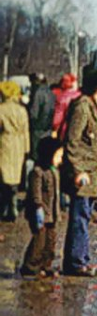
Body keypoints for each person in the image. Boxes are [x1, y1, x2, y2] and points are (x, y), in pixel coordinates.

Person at [62, 69, 97, 277]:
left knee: (83, 216)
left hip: (92, 175)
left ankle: (78, 259)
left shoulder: (95, 108)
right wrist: (78, 170)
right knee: (80, 218)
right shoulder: (83, 107)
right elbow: (72, 142)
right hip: (83, 175)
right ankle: (77, 262)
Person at [21, 136, 62, 277]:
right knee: (39, 241)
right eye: (58, 156)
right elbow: (35, 192)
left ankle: (45, 264)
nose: (60, 160)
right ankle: (31, 264)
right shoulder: (38, 172)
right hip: (41, 213)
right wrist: (38, 207)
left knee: (50, 242)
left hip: (52, 214)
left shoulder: (54, 172)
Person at [0, 80, 30, 221]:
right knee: (15, 177)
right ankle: (13, 205)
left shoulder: (2, 109)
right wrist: (26, 148)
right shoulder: (22, 110)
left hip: (5, 143)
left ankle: (5, 207)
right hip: (18, 144)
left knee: (4, 176)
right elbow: (26, 131)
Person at [27, 73, 56, 148]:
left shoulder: (37, 92)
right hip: (48, 128)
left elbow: (34, 111)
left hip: (38, 128)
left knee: (36, 152)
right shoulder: (51, 92)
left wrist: (33, 124)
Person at [50, 72, 81, 137]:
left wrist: (54, 128)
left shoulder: (62, 98)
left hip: (66, 129)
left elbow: (57, 120)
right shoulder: (80, 96)